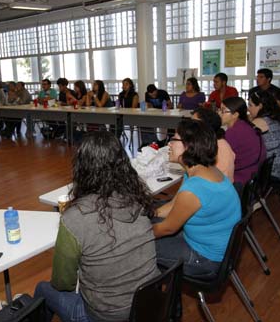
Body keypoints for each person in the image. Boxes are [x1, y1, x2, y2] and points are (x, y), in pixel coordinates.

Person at [34, 131, 160, 322]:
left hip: (107, 316)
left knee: (43, 289)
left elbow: (62, 283)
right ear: (123, 165)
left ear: (81, 168)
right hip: (149, 304)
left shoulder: (75, 219)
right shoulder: (137, 200)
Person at [153, 119, 240, 280]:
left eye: (174, 139)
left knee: (135, 246)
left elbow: (168, 228)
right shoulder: (202, 171)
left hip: (206, 260)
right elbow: (173, 205)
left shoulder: (194, 189)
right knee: (149, 221)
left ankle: (158, 297)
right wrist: (151, 213)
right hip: (208, 245)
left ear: (189, 146)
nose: (169, 144)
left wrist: (136, 234)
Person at [219, 97, 266, 187]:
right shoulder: (245, 125)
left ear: (235, 114)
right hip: (254, 175)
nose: (219, 113)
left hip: (242, 179)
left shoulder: (233, 132)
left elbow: (219, 158)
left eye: (223, 111)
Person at [248, 90, 280, 181]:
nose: (248, 108)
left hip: (275, 172)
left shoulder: (260, 122)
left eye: (250, 105)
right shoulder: (276, 117)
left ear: (260, 106)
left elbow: (244, 141)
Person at [192, 107, 235, 182]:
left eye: (194, 123)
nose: (189, 126)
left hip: (217, 189)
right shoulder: (211, 142)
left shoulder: (218, 147)